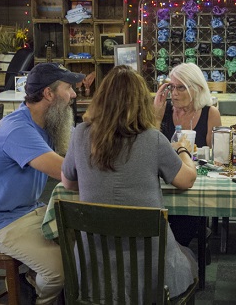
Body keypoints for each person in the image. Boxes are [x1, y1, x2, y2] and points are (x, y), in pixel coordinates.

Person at [61, 65, 198, 301]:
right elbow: (187, 180)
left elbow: (68, 183)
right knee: (190, 258)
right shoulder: (152, 138)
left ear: (101, 98)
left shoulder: (81, 133)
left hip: (93, 271)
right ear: (141, 101)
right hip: (151, 274)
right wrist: (184, 150)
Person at [0, 63, 85, 305]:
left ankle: (34, 279)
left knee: (82, 243)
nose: (74, 94)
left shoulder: (49, 123)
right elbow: (68, 176)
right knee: (60, 269)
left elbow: (83, 147)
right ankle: (40, 296)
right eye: (69, 88)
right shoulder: (18, 130)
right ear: (48, 94)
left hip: (26, 210)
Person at [153, 63, 222, 246]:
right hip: (164, 183)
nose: (174, 93)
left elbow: (217, 158)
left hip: (193, 185)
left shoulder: (210, 113)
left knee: (182, 228)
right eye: (171, 87)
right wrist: (156, 116)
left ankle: (176, 256)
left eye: (181, 87)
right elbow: (149, 146)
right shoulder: (164, 110)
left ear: (197, 88)